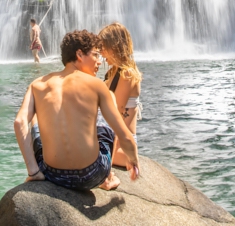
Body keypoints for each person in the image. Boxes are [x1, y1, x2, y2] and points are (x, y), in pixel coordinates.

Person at [14, 30, 140, 191]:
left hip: (52, 174)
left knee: (36, 117)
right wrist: (133, 159)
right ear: (79, 54)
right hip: (93, 174)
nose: (99, 61)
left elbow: (19, 123)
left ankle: (36, 170)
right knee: (110, 98)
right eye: (95, 54)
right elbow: (124, 135)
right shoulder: (97, 85)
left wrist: (34, 171)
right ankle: (108, 177)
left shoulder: (37, 84)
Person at [98, 22, 142, 170]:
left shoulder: (127, 73)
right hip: (110, 136)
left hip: (122, 144)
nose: (101, 53)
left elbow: (117, 114)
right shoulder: (111, 72)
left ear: (114, 46)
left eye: (103, 47)